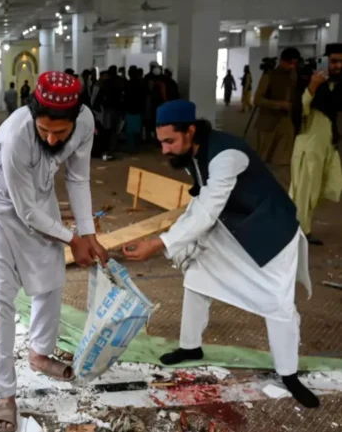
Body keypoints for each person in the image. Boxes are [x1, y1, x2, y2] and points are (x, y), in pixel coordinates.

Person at [123, 99, 318, 409]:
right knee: (198, 275)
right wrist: (167, 238)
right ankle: (190, 347)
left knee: (277, 302)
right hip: (235, 226)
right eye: (161, 142)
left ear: (190, 131)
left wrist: (159, 243)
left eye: (169, 141)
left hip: (271, 232)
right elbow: (199, 204)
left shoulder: (226, 155)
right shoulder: (192, 153)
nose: (164, 150)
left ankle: (289, 373)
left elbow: (208, 211)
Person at [0, 71, 108, 431]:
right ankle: (5, 393)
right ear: (33, 115)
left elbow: (78, 178)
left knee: (51, 278)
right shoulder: (16, 135)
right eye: (44, 130)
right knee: (1, 298)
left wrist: (89, 233)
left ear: (76, 119)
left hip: (39, 199)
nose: (51, 138)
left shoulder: (85, 124)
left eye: (59, 134)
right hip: (0, 207)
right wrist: (72, 238)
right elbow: (25, 211)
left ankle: (39, 353)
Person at [289, 43, 342, 246]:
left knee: (323, 187)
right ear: (325, 60)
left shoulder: (338, 86)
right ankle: (301, 231)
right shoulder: (307, 81)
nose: (338, 66)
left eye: (341, 62)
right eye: (334, 61)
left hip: (329, 144)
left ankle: (299, 226)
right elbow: (299, 111)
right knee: (304, 191)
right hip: (309, 144)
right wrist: (313, 86)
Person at [253, 47, 301, 165]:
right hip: (268, 123)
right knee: (263, 159)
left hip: (286, 122)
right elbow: (257, 100)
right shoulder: (270, 75)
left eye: (295, 63)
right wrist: (279, 104)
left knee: (284, 160)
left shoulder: (294, 75)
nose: (292, 66)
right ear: (281, 61)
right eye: (289, 63)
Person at [123, 67, 146, 152]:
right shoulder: (140, 84)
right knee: (137, 130)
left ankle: (131, 147)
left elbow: (125, 98)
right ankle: (137, 146)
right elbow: (143, 97)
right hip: (138, 109)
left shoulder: (128, 84)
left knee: (130, 131)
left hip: (130, 109)